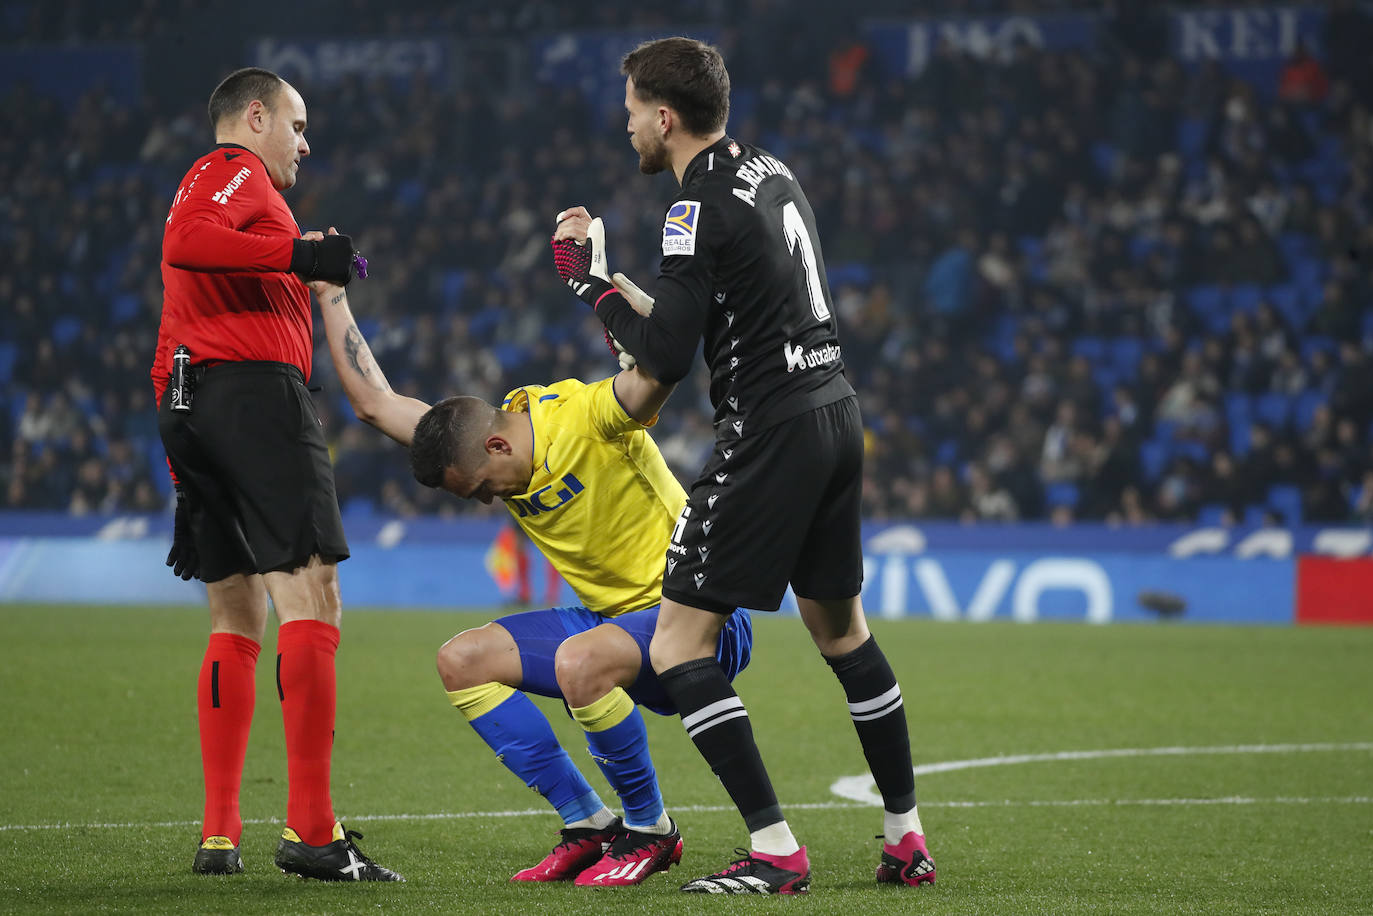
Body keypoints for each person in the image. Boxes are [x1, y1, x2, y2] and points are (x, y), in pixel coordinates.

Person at [551, 37, 935, 895]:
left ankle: (776, 850)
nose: (626, 128)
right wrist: (620, 288)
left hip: (770, 432)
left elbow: (662, 361)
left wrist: (586, 284)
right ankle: (906, 839)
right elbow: (697, 319)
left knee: (679, 642)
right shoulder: (769, 170)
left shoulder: (690, 210)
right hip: (834, 410)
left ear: (664, 117)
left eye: (630, 112)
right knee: (842, 633)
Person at [305, 259, 753, 887]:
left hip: (697, 616)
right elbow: (376, 405)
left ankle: (651, 831)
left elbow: (662, 371)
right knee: (462, 660)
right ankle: (588, 823)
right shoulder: (482, 443)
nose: (489, 501)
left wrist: (607, 290)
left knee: (580, 662)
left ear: (497, 446)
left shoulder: (586, 416)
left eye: (482, 488)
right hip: (612, 625)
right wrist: (329, 292)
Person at [153, 67, 401, 881]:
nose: (305, 143)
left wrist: (303, 264)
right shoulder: (232, 168)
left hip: (191, 397)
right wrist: (299, 250)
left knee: (235, 611)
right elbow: (185, 243)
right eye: (297, 125)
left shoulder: (233, 190)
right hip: (253, 395)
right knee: (312, 594)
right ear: (254, 116)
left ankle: (219, 834)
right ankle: (313, 832)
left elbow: (192, 285)